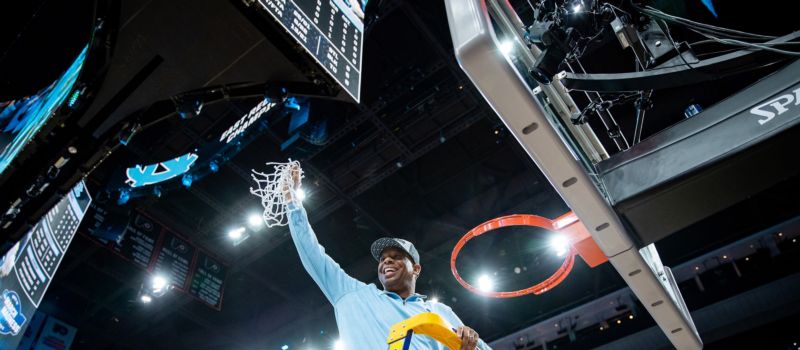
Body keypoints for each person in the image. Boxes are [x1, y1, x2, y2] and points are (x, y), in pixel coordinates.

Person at [284, 165, 491, 349]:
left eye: (396, 256)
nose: (386, 261)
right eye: (382, 259)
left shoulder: (438, 311)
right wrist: (292, 203)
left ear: (416, 269)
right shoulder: (352, 294)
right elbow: (312, 253)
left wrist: (470, 344)